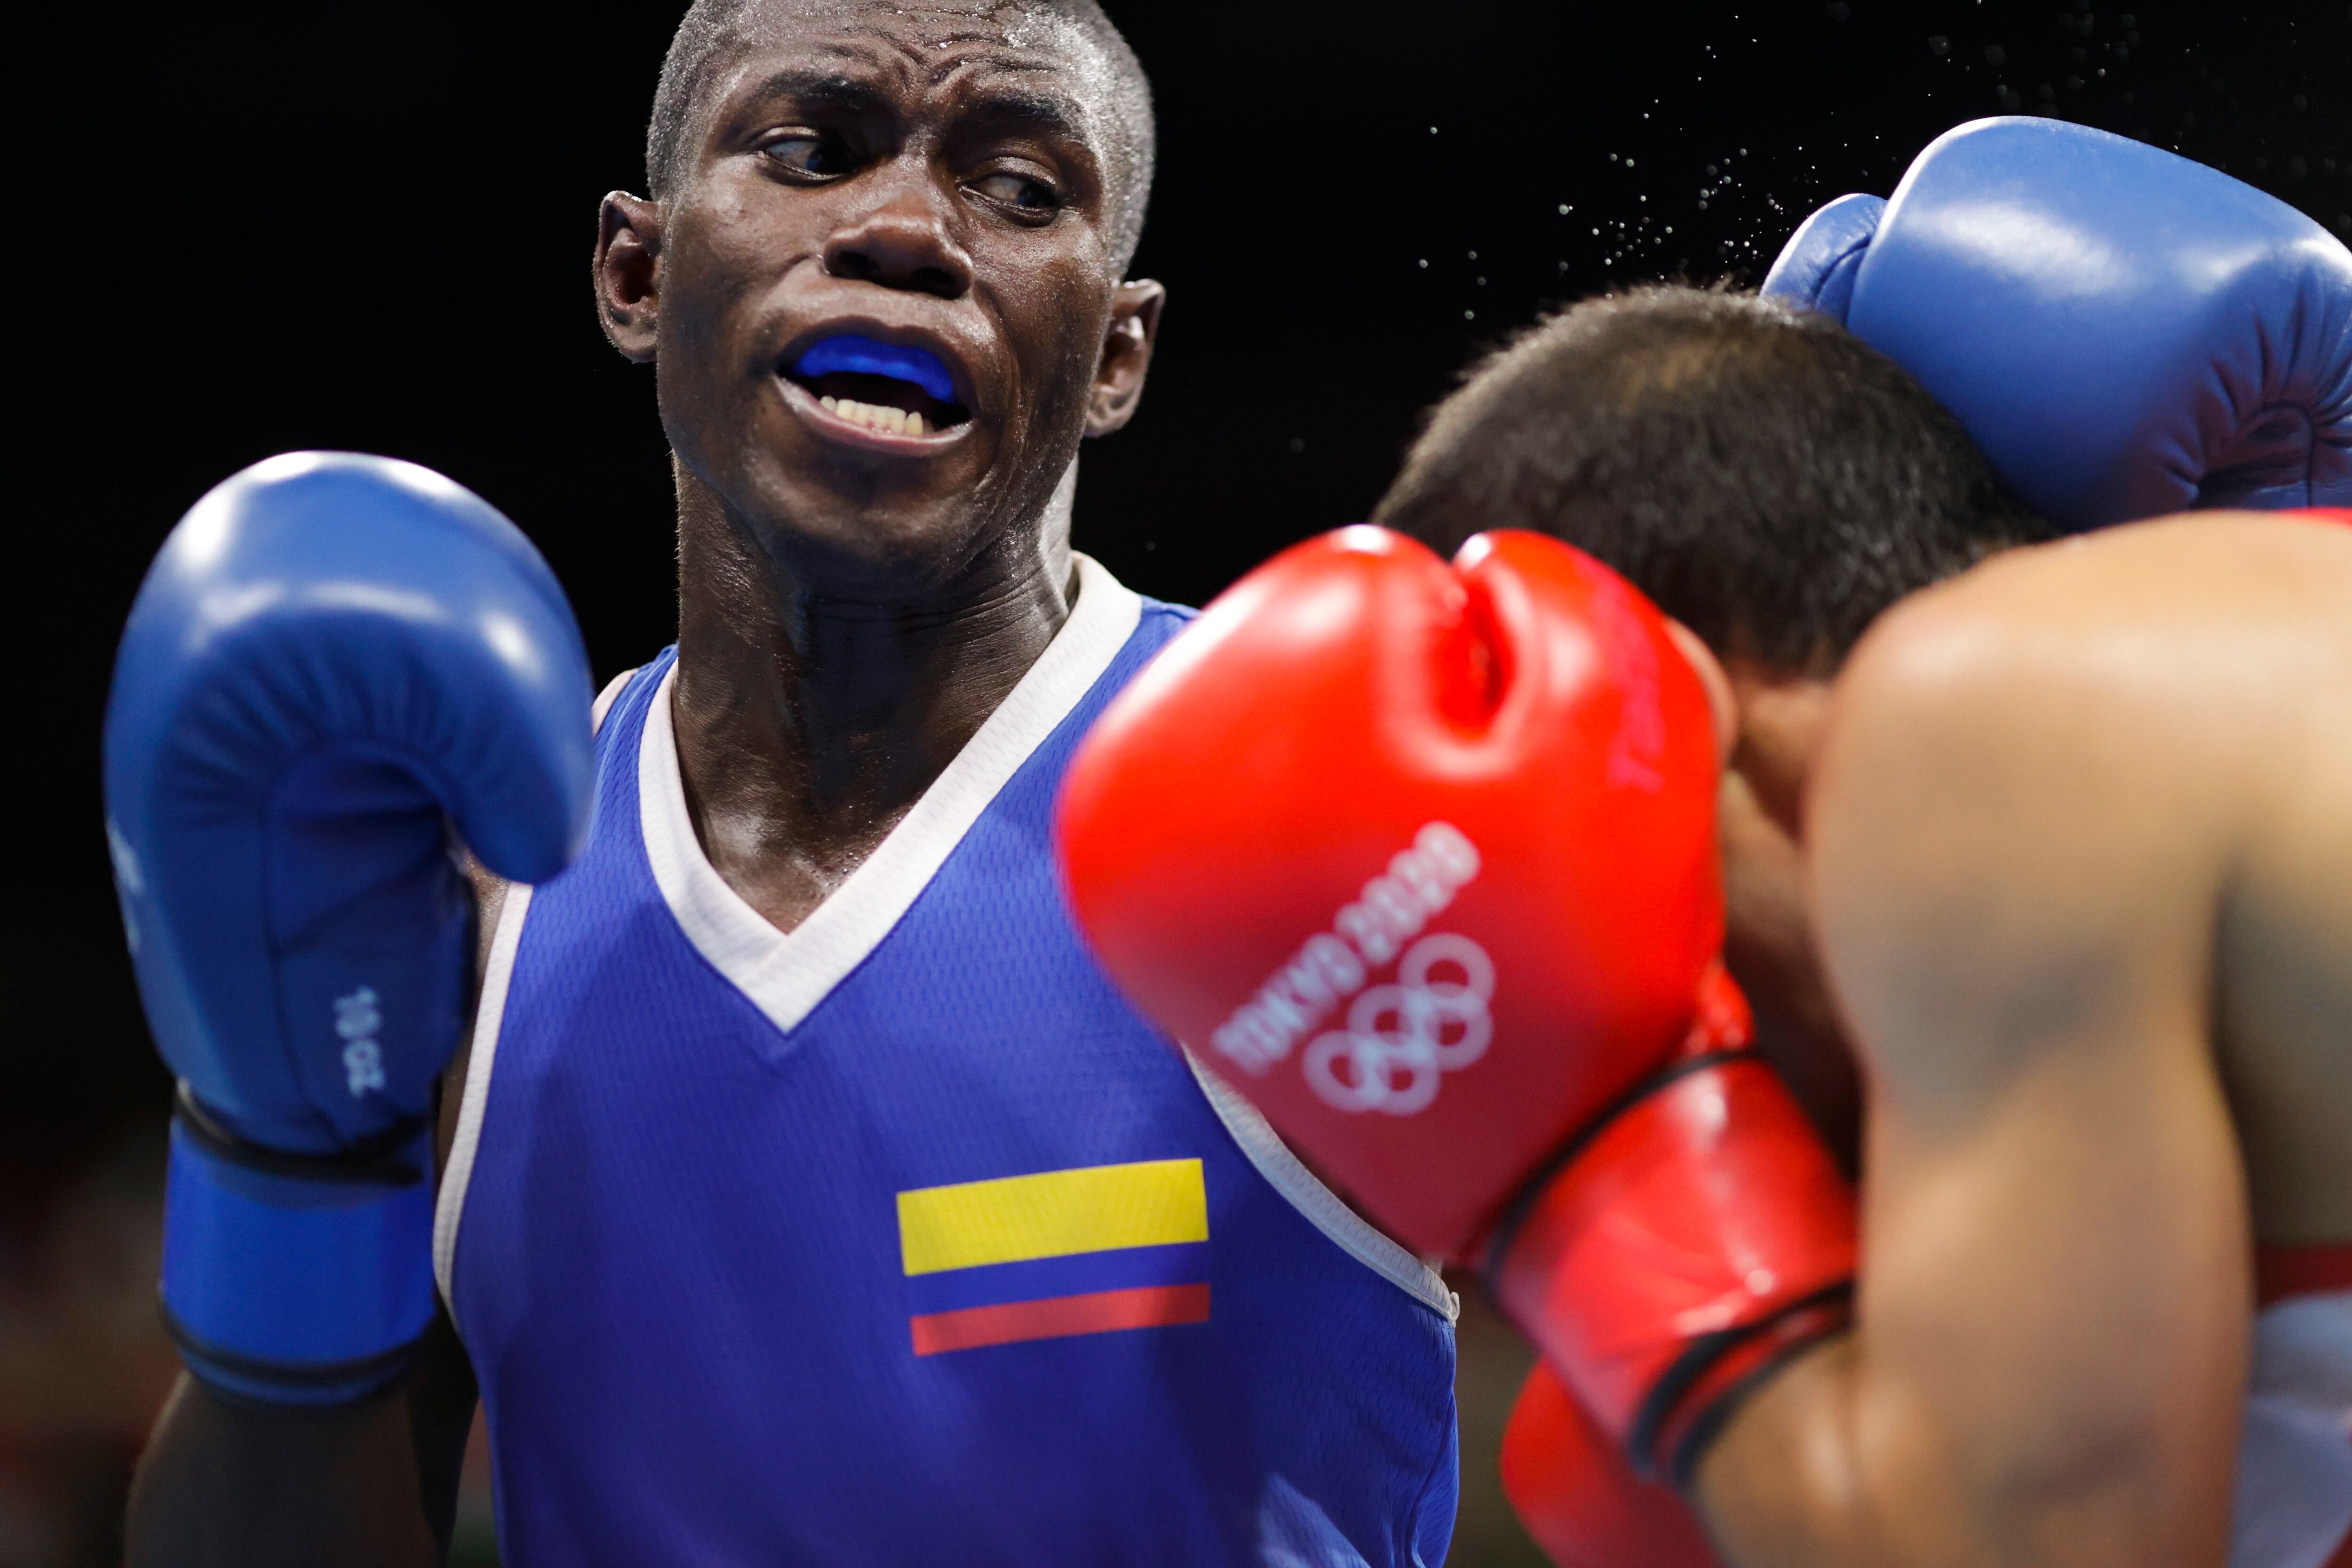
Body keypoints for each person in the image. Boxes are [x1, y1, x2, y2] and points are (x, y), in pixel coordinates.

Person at [115, 3, 1460, 1564]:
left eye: (1021, 189)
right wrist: (283, 1160)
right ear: (636, 272)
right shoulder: (474, 905)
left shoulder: (1329, 816)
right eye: (807, 151)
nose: (901, 230)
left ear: (1119, 352)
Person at [1057, 119, 2350, 1568]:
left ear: (1681, 702)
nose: (1694, 1022)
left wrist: (1595, 1179)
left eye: (1634, 931)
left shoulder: (1985, 711)